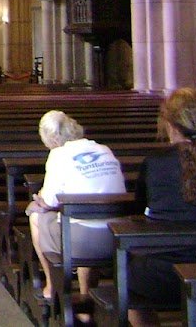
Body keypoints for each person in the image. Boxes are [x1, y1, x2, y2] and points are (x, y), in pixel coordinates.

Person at [127, 88, 196, 326]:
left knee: (128, 280)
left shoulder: (155, 163)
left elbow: (139, 209)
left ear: (169, 124)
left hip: (163, 273)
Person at [26, 110, 125, 303]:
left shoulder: (58, 154)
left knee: (37, 217)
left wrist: (38, 200)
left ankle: (51, 287)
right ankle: (86, 295)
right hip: (117, 235)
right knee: (82, 219)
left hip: (82, 240)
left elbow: (49, 201)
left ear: (53, 139)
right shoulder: (103, 149)